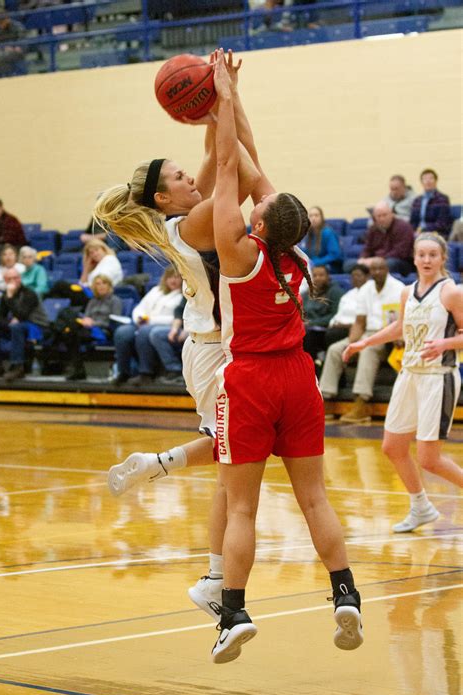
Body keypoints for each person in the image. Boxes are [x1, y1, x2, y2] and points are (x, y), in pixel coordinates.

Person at [94, 50, 260, 620]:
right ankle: (214, 576)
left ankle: (160, 470)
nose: (191, 175)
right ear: (164, 198)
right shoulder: (191, 223)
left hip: (219, 349)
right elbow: (238, 166)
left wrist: (218, 104)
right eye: (178, 177)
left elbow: (226, 156)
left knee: (230, 460)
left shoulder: (187, 210)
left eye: (188, 173)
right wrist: (223, 104)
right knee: (231, 463)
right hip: (215, 353)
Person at [208, 49, 362, 664]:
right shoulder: (296, 254)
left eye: (259, 205)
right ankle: (345, 594)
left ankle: (235, 612)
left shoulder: (239, 251)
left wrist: (219, 97)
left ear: (262, 224)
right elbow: (250, 155)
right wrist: (236, 97)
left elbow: (227, 162)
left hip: (251, 378)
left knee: (241, 505)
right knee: (315, 499)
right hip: (299, 377)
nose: (253, 199)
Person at [343, 234, 462, 531]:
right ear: (414, 257)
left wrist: (445, 344)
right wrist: (364, 343)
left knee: (429, 459)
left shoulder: (450, 292)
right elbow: (399, 327)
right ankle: (420, 506)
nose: (426, 260)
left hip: (438, 378)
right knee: (392, 447)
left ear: (443, 258)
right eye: (421, 254)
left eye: (433, 254)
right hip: (409, 375)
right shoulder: (408, 293)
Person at [320, 257, 404, 423]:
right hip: (367, 333)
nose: (377, 272)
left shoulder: (398, 289)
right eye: (374, 269)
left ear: (387, 270)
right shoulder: (366, 289)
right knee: (336, 349)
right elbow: (359, 322)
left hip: (389, 336)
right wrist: (351, 343)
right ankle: (327, 400)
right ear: (370, 272)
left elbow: (401, 322)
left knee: (368, 349)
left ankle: (361, 403)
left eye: (381, 268)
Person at [113, 265, 184, 386]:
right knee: (122, 332)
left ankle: (146, 373)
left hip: (167, 327)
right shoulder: (156, 290)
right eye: (170, 277)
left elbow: (178, 318)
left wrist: (151, 320)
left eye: (177, 277)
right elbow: (140, 307)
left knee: (145, 332)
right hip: (143, 323)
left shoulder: (184, 295)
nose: (173, 280)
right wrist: (139, 318)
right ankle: (123, 372)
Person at [58, 275, 123, 381]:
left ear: (109, 286)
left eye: (104, 283)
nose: (101, 286)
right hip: (88, 328)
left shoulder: (115, 300)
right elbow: (86, 316)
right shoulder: (93, 301)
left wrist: (94, 323)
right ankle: (76, 367)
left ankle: (78, 369)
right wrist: (85, 321)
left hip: (104, 330)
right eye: (98, 284)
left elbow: (115, 320)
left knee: (75, 334)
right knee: (69, 332)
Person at [0, 267, 49, 381]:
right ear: (5, 281)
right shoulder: (6, 295)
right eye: (9, 278)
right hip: (19, 325)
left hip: (37, 325)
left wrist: (10, 297)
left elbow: (22, 314)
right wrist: (8, 322)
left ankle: (17, 366)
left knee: (17, 328)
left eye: (15, 278)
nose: (13, 281)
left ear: (20, 279)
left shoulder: (30, 293)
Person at [344, 202, 415, 275]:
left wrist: (378, 260)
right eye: (379, 216)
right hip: (375, 261)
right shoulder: (373, 229)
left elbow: (400, 252)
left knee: (389, 264)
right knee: (348, 265)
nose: (382, 219)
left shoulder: (403, 227)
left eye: (384, 215)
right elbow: (367, 248)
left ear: (391, 214)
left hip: (400, 262)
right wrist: (363, 259)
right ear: (374, 218)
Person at [302, 265, 343, 362]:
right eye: (315, 275)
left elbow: (335, 315)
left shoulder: (335, 292)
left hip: (325, 329)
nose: (317, 278)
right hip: (307, 327)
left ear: (328, 277)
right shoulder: (306, 293)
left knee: (307, 335)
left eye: (321, 275)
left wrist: (311, 323)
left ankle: (311, 366)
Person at [325, 264, 370, 349]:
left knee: (333, 334)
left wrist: (350, 325)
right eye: (353, 276)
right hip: (340, 327)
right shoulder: (348, 295)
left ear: (367, 277)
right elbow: (338, 314)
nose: (355, 278)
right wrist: (333, 323)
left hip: (355, 328)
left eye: (358, 276)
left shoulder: (370, 293)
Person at [410, 169, 453, 239]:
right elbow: (412, 222)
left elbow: (442, 223)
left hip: (436, 233)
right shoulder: (417, 200)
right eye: (425, 179)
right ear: (421, 182)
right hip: (417, 233)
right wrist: (414, 231)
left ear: (436, 181)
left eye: (431, 178)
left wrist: (423, 229)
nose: (428, 181)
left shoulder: (442, 199)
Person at [0, 198, 26, 270]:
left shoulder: (11, 220)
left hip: (15, 246)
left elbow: (9, 238)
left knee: (0, 249)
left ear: (1, 208)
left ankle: (1, 270)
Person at [303, 206, 343, 273]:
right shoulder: (307, 234)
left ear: (322, 217)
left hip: (330, 266)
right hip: (313, 266)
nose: (313, 218)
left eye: (316, 215)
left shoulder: (328, 232)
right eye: (311, 216)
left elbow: (334, 254)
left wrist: (316, 262)